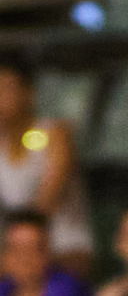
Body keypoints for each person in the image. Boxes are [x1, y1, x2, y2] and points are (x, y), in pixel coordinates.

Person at [0, 57, 89, 269]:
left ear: (29, 93)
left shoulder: (55, 133)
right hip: (16, 253)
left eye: (5, 88)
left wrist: (19, 251)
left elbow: (46, 203)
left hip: (65, 249)